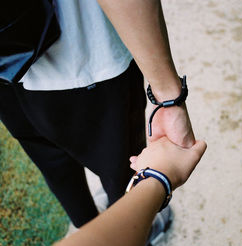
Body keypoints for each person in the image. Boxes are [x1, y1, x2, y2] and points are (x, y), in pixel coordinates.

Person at [0, 0, 194, 231]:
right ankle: (128, 234)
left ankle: (86, 227)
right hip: (83, 58)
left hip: (6, 72)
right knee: (122, 167)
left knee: (52, 163)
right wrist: (169, 98)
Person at [49, 137, 207, 246]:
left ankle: (89, 223)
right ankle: (138, 232)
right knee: (120, 153)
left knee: (54, 163)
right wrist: (159, 175)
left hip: (26, 103)